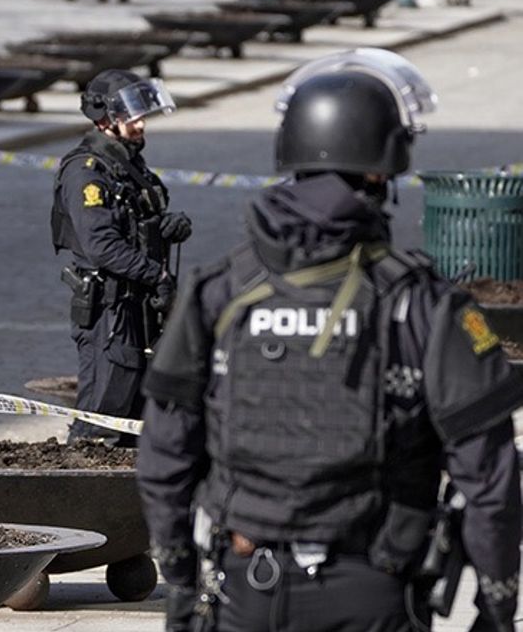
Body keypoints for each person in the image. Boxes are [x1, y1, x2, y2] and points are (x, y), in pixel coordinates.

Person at [136, 48, 520, 632]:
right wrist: (496, 606)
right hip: (373, 592)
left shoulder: (218, 292)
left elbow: (164, 459)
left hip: (243, 592)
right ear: (382, 170)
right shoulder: (424, 304)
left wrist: (183, 587)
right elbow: (489, 482)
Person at [51, 68, 192, 448]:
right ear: (104, 119)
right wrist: (157, 275)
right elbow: (101, 246)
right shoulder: (86, 172)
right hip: (109, 308)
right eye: (132, 116)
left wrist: (164, 226)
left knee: (138, 410)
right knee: (103, 412)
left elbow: (132, 222)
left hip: (138, 302)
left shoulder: (126, 163)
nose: (141, 123)